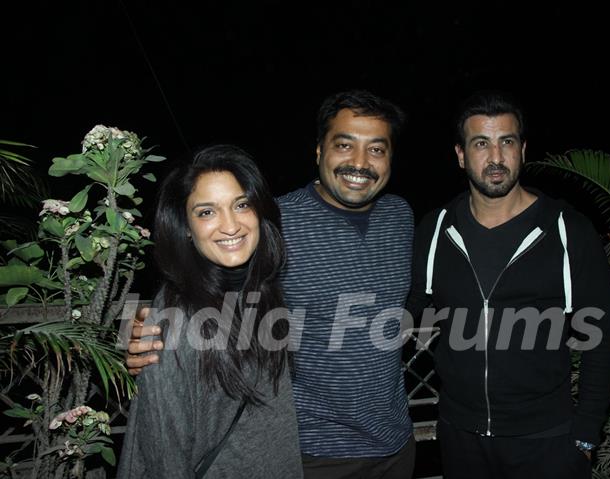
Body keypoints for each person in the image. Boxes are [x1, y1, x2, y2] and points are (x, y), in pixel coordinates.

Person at [126, 90, 416, 478]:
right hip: (311, 454)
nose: (359, 163)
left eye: (376, 149)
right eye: (344, 145)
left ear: (391, 158)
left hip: (397, 445)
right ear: (318, 151)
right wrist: (151, 325)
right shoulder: (274, 222)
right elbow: (208, 277)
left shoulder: (400, 218)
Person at [406, 90, 610, 478]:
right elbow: (405, 312)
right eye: (481, 144)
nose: (495, 158)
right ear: (460, 154)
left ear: (523, 150)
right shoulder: (435, 230)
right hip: (461, 438)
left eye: (506, 142)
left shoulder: (567, 230)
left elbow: (602, 341)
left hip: (547, 440)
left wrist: (586, 436)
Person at [117, 145, 302, 478]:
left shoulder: (265, 293)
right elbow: (163, 451)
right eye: (207, 212)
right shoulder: (172, 321)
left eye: (241, 205)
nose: (230, 226)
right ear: (185, 226)